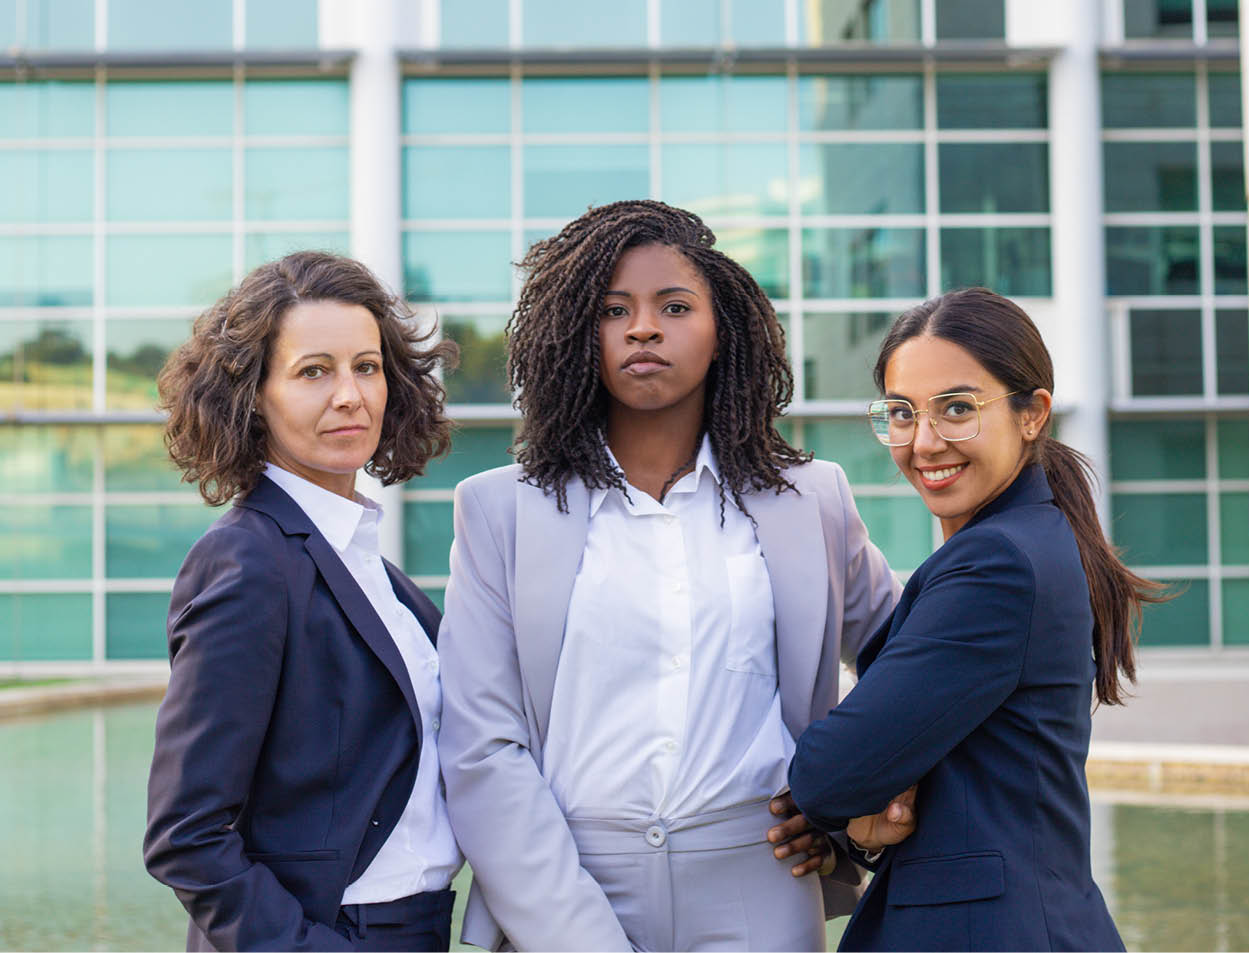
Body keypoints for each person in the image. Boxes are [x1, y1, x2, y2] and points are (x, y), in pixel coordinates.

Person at [437, 200, 905, 952]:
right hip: (564, 887)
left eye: (675, 306)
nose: (643, 327)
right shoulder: (499, 510)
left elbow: (907, 666)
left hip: (762, 882)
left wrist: (844, 817)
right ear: (573, 335)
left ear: (724, 333)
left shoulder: (811, 499)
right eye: (612, 309)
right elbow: (483, 747)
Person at [788, 287, 1164, 952]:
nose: (924, 441)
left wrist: (847, 800)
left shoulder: (998, 561)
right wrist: (863, 822)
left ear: (1032, 414)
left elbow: (829, 772)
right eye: (902, 413)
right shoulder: (1023, 537)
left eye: (957, 409)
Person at [143, 251, 461, 952]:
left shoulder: (373, 568)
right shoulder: (249, 560)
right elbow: (185, 834)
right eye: (313, 370)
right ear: (254, 395)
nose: (350, 394)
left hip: (415, 927)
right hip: (329, 934)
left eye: (367, 366)